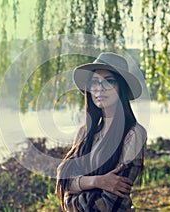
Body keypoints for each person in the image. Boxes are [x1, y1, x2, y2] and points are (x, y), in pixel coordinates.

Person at [56, 52, 147, 211]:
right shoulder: (84, 133)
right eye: (94, 83)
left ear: (121, 87)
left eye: (109, 81)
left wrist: (75, 193)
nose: (100, 89)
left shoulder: (133, 134)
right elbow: (63, 180)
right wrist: (97, 181)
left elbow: (107, 204)